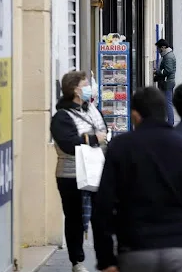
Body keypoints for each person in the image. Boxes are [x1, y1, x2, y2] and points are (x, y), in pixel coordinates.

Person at [92, 87, 182, 272]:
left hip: (135, 250)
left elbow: (102, 207)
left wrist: (106, 261)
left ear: (135, 115)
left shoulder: (120, 148)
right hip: (180, 249)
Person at [50, 71, 108, 272]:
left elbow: (104, 129)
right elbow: (67, 143)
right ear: (75, 89)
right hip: (71, 175)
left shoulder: (91, 109)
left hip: (98, 170)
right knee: (74, 218)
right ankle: (77, 261)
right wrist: (91, 139)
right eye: (85, 84)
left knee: (101, 217)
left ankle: (105, 258)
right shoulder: (61, 117)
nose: (89, 88)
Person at [155, 39, 177, 125]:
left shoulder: (168, 56)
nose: (158, 50)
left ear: (163, 47)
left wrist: (158, 72)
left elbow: (168, 70)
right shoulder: (166, 55)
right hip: (167, 82)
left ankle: (170, 122)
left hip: (167, 82)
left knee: (168, 103)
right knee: (166, 102)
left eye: (158, 48)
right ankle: (168, 121)